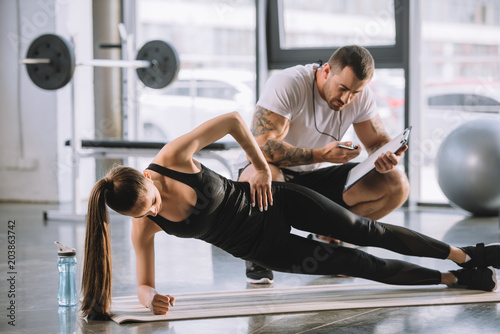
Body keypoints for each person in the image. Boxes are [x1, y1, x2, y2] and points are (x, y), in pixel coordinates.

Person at [81, 112, 498, 320]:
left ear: (148, 178)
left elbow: (231, 120)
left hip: (274, 201)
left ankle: (465, 255)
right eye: (145, 214)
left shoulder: (172, 157)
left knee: (365, 230)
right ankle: (454, 279)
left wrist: (260, 165)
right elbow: (143, 283)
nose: (153, 212)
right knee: (358, 262)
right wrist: (148, 298)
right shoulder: (143, 225)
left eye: (152, 202)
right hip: (265, 247)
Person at [239, 45, 410, 284]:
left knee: (396, 183)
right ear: (327, 70)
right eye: (342, 88)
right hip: (264, 169)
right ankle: (260, 252)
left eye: (355, 92)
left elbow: (377, 142)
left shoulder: (359, 97)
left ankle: (332, 240)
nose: (346, 98)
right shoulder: (288, 83)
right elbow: (259, 148)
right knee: (269, 176)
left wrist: (385, 158)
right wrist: (320, 155)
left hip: (310, 177)